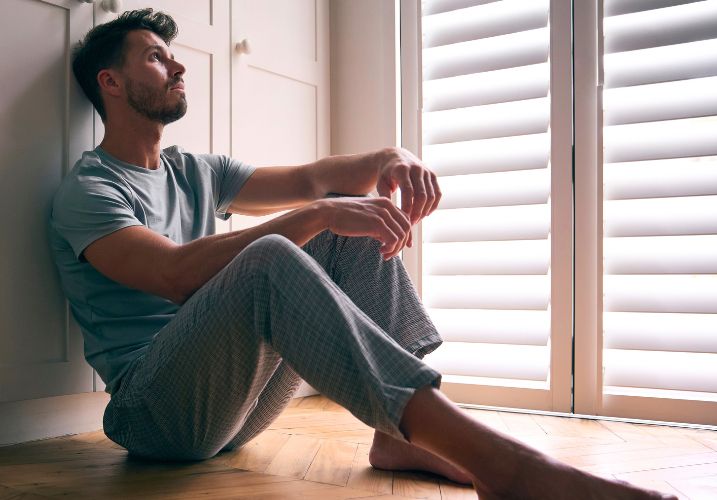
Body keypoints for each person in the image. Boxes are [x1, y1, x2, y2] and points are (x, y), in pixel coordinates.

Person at [48, 9, 676, 500]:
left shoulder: (195, 170)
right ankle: (509, 467)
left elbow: (316, 178)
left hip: (233, 410)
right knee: (284, 245)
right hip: (154, 415)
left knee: (333, 227)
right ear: (112, 82)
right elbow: (172, 275)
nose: (179, 69)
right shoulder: (89, 189)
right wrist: (319, 213)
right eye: (157, 59)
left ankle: (399, 436)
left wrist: (386, 159)